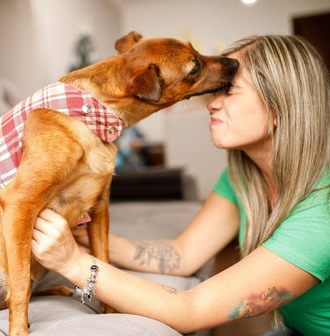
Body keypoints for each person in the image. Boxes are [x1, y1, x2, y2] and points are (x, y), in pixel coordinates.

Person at [31, 35, 330, 335]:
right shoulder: (243, 176)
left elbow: (192, 309)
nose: (212, 103)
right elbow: (184, 254)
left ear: (279, 108)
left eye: (229, 91)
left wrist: (73, 263)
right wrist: (87, 240)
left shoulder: (322, 213)